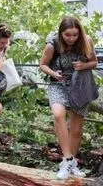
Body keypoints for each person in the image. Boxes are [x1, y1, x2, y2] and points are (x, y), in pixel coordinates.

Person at [39, 17, 97, 179]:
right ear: (61, 33)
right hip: (58, 84)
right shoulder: (53, 44)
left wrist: (83, 66)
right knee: (58, 114)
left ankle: (70, 165)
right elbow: (42, 64)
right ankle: (68, 159)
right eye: (67, 35)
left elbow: (94, 62)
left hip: (80, 86)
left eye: (75, 35)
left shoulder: (86, 41)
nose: (71, 39)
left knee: (77, 130)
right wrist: (53, 73)